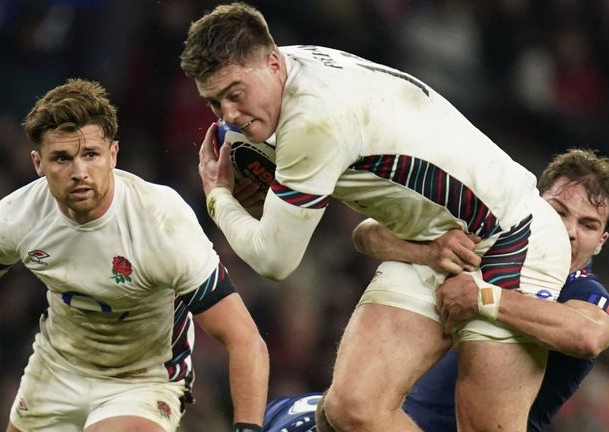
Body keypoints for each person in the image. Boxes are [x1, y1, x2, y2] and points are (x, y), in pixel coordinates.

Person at [182, 3, 571, 431]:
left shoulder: (313, 121)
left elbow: (275, 261)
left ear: (272, 62)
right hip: (435, 243)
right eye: (214, 102)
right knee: (351, 409)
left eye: (235, 94)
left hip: (512, 237)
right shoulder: (288, 65)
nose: (228, 116)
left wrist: (219, 197)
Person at [0, 79, 269, 432]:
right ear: (38, 163)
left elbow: (245, 340)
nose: (79, 172)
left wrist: (247, 428)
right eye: (62, 159)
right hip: (56, 372)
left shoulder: (161, 223)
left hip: (142, 380)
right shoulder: (19, 214)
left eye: (91, 155)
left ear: (113, 154)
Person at [261, 148, 609, 432]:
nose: (569, 230)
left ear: (601, 242)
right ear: (534, 205)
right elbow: (366, 234)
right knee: (284, 415)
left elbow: (588, 334)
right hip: (389, 414)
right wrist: (428, 250)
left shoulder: (586, 294)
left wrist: (483, 298)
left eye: (588, 224)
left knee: (345, 410)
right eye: (558, 211)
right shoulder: (495, 240)